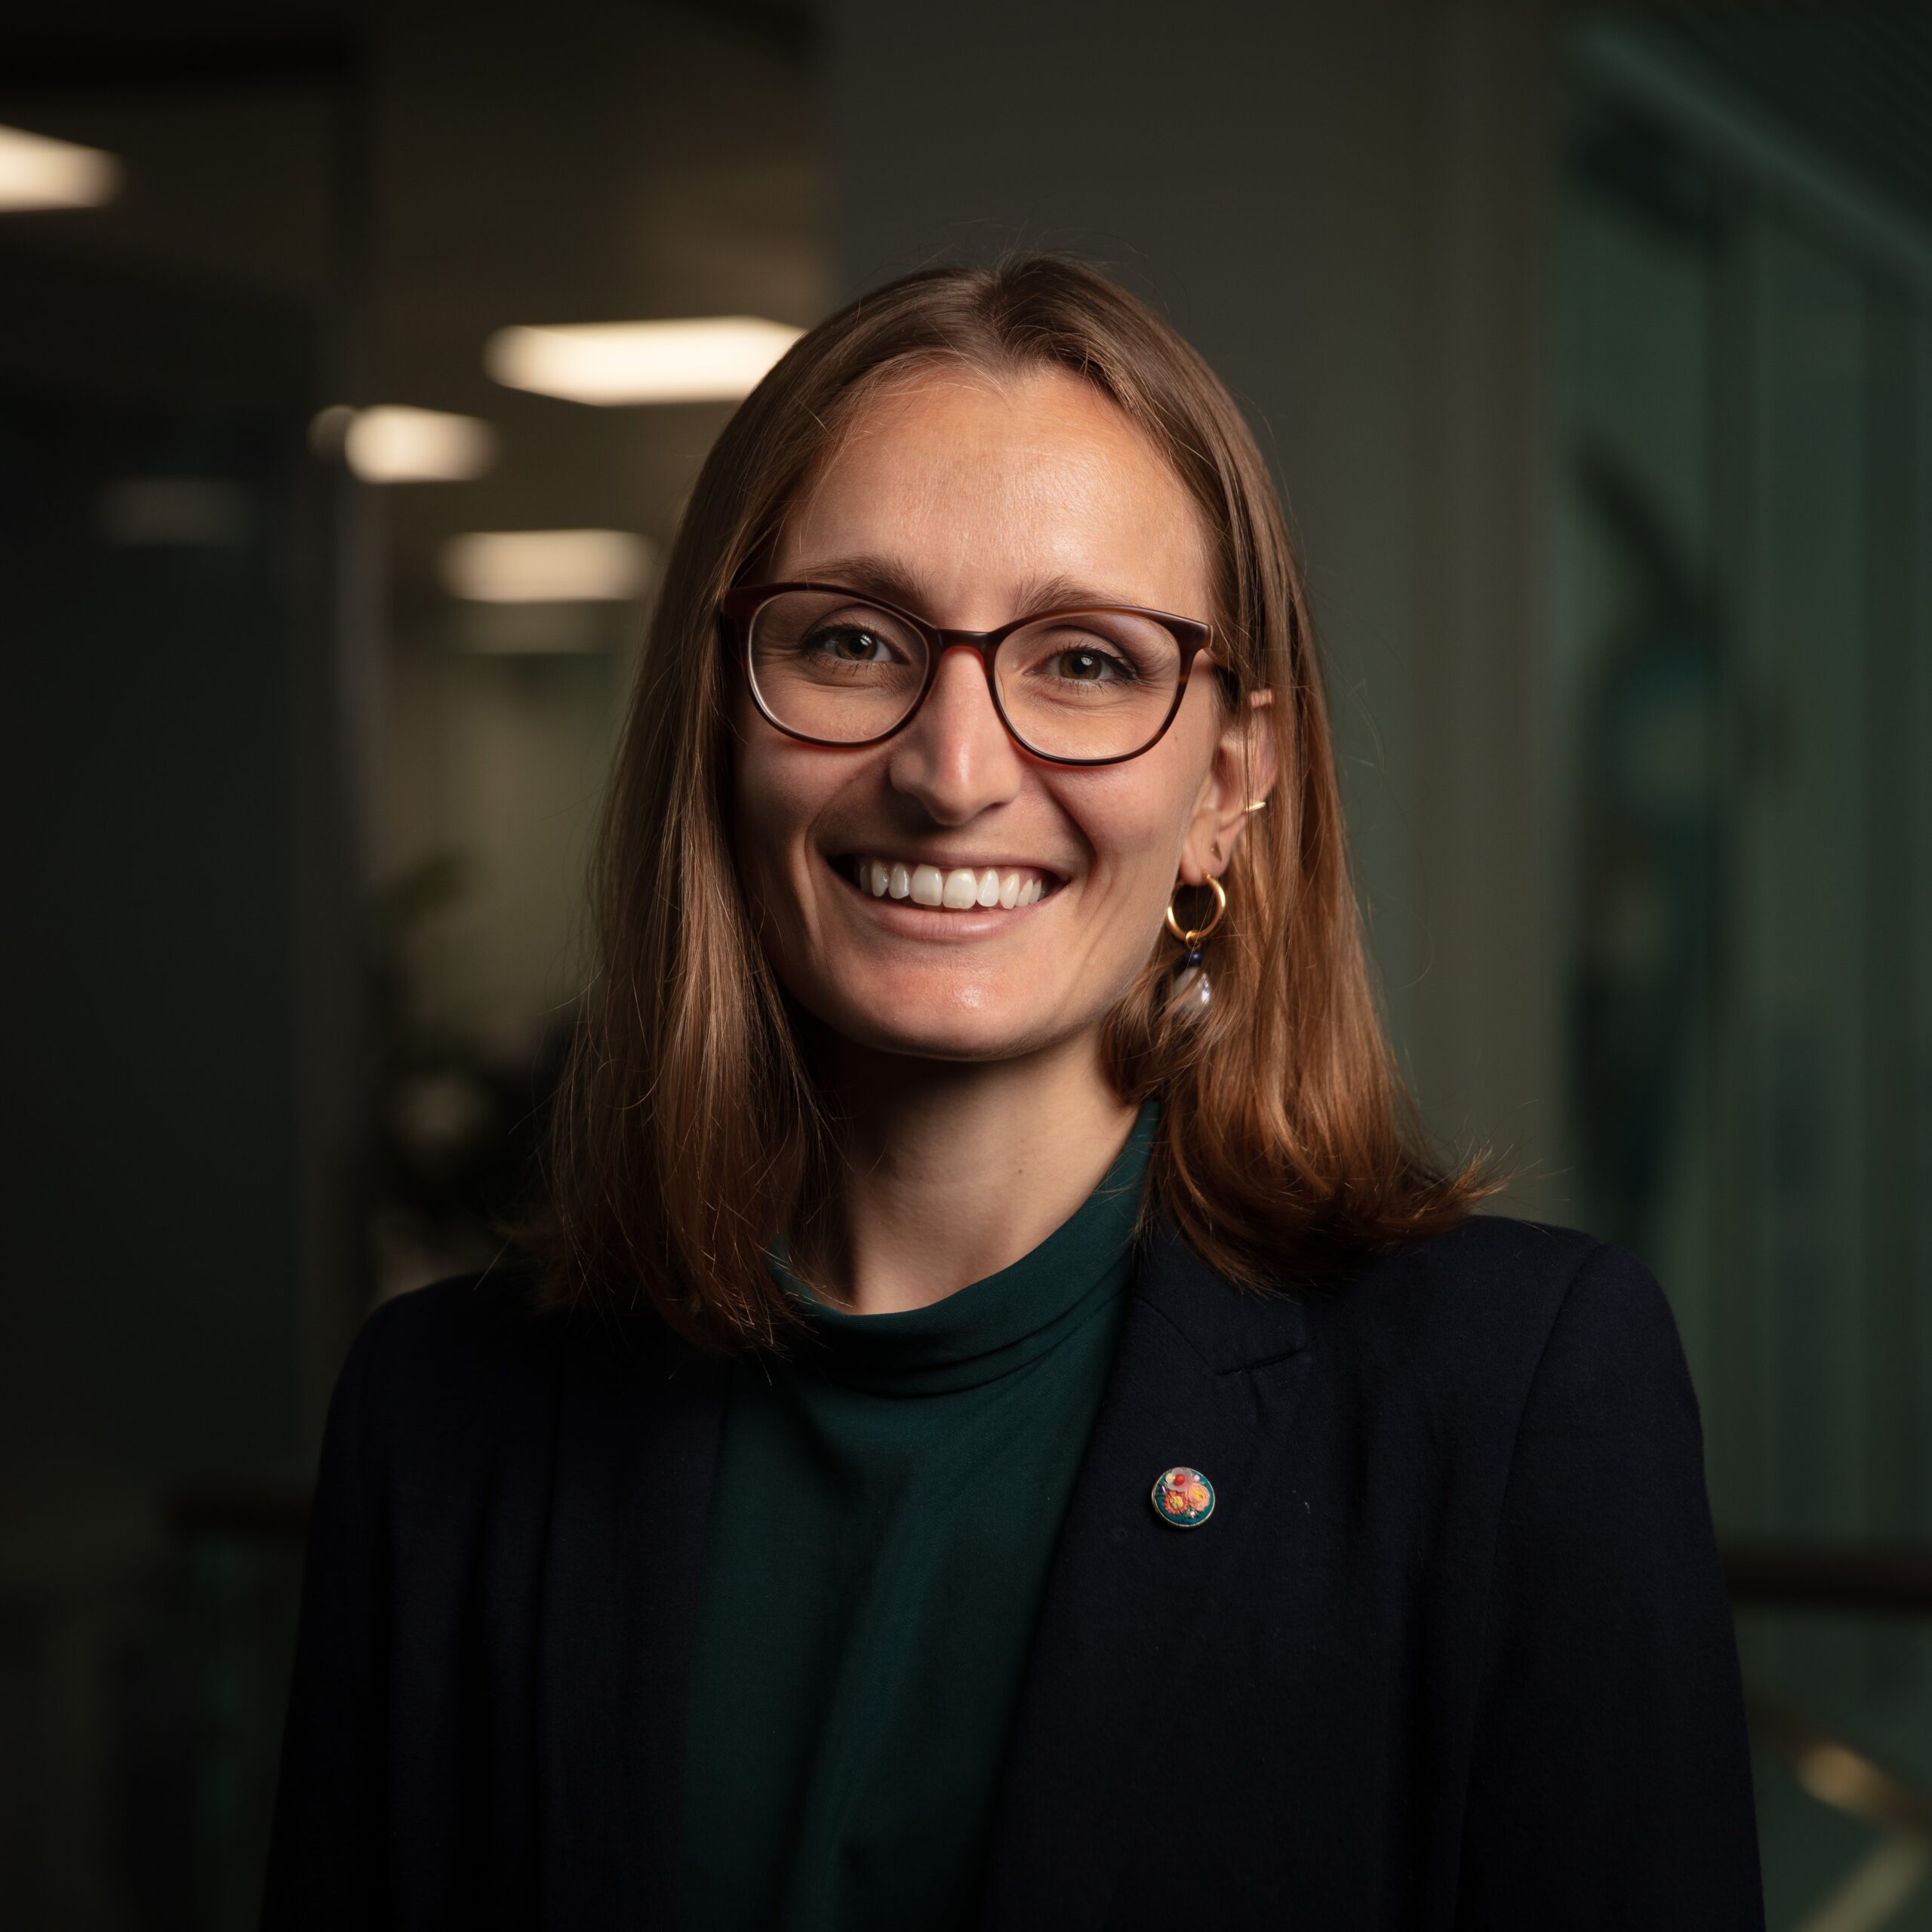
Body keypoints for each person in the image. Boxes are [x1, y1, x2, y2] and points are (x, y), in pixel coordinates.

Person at [262, 256, 1763, 1930]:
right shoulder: (443, 1412)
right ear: (716, 719)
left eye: (1086, 663)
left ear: (1228, 782)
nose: (951, 769)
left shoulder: (1513, 1399)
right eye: (849, 639)